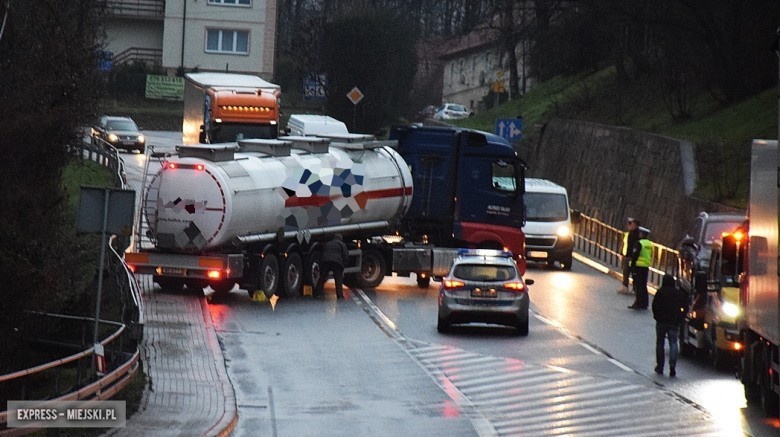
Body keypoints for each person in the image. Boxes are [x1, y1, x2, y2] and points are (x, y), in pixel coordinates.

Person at [652, 274, 689, 377]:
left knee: (660, 343)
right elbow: (685, 307)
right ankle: (672, 366)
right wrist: (680, 318)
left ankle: (660, 366)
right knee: (673, 343)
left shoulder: (660, 292)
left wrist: (657, 317)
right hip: (674, 322)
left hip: (661, 322)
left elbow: (654, 306)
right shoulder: (679, 294)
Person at [314, 234, 349, 299]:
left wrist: (321, 264)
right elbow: (345, 256)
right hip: (337, 262)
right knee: (338, 279)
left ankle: (317, 294)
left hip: (325, 261)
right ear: (340, 239)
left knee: (322, 277)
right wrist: (343, 266)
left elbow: (322, 253)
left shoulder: (328, 243)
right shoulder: (342, 244)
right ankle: (339, 295)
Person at [628, 226, 652, 309]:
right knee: (643, 285)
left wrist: (632, 265)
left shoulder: (639, 243)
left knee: (637, 286)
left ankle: (638, 303)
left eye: (640, 233)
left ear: (642, 234)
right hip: (645, 267)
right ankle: (645, 303)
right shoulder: (649, 244)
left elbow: (635, 255)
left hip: (638, 267)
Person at [618, 218, 641, 294]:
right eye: (628, 223)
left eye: (631, 223)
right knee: (625, 272)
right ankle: (625, 287)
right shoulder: (628, 233)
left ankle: (635, 289)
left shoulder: (637, 235)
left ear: (635, 225)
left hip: (631, 256)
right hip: (626, 256)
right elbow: (624, 244)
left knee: (633, 273)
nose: (629, 225)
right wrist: (621, 253)